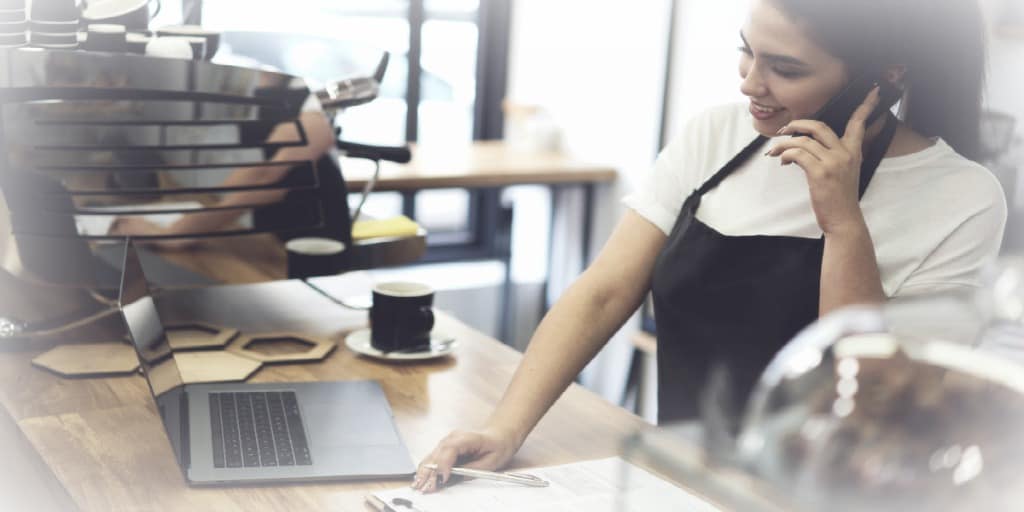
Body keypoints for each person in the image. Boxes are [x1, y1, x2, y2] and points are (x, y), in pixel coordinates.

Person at [412, 0, 1007, 493]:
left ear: (887, 76)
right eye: (746, 50)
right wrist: (505, 429)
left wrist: (843, 224)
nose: (750, 82)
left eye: (786, 69)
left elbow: (866, 400)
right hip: (679, 481)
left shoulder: (962, 197)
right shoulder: (716, 134)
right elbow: (603, 292)